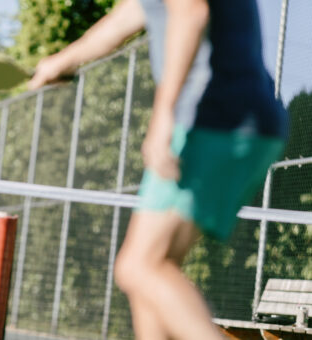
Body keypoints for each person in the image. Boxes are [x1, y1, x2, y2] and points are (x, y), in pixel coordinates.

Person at [29, 0, 288, 339]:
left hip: (216, 118)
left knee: (141, 266)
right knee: (146, 275)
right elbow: (124, 18)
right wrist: (60, 61)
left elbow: (192, 13)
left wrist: (164, 113)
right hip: (232, 116)